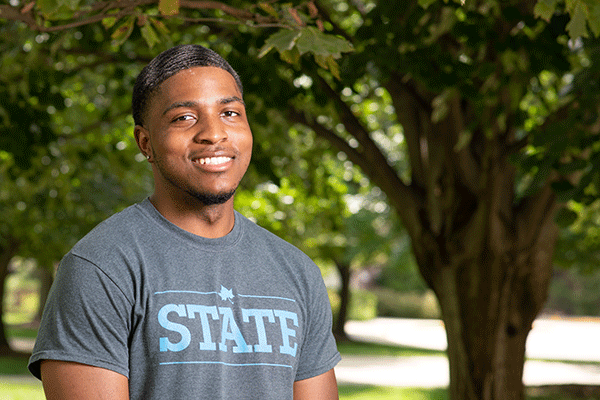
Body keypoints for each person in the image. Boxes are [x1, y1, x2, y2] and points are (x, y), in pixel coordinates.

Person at [28, 44, 341, 400]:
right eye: (184, 118)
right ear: (145, 142)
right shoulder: (101, 268)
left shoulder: (297, 272)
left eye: (230, 113)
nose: (213, 133)